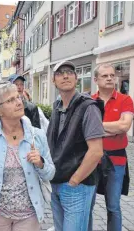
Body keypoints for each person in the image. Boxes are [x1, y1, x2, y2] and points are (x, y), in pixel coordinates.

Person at [0, 82, 55, 231]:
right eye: (11, 100)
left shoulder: (36, 136)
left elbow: (50, 173)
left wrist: (41, 163)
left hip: (29, 215)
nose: (18, 102)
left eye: (18, 98)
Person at [47, 61, 105, 231]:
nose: (65, 76)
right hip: (56, 181)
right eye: (60, 73)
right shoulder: (57, 107)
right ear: (53, 80)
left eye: (70, 72)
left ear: (76, 78)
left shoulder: (88, 107)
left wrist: (75, 180)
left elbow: (96, 151)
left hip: (77, 185)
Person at [90, 63, 134, 231]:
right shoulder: (89, 101)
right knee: (88, 204)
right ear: (95, 80)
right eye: (104, 76)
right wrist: (111, 129)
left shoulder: (125, 100)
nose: (109, 78)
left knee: (113, 206)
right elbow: (83, 130)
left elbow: (124, 126)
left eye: (112, 75)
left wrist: (96, 127)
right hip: (91, 159)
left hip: (116, 160)